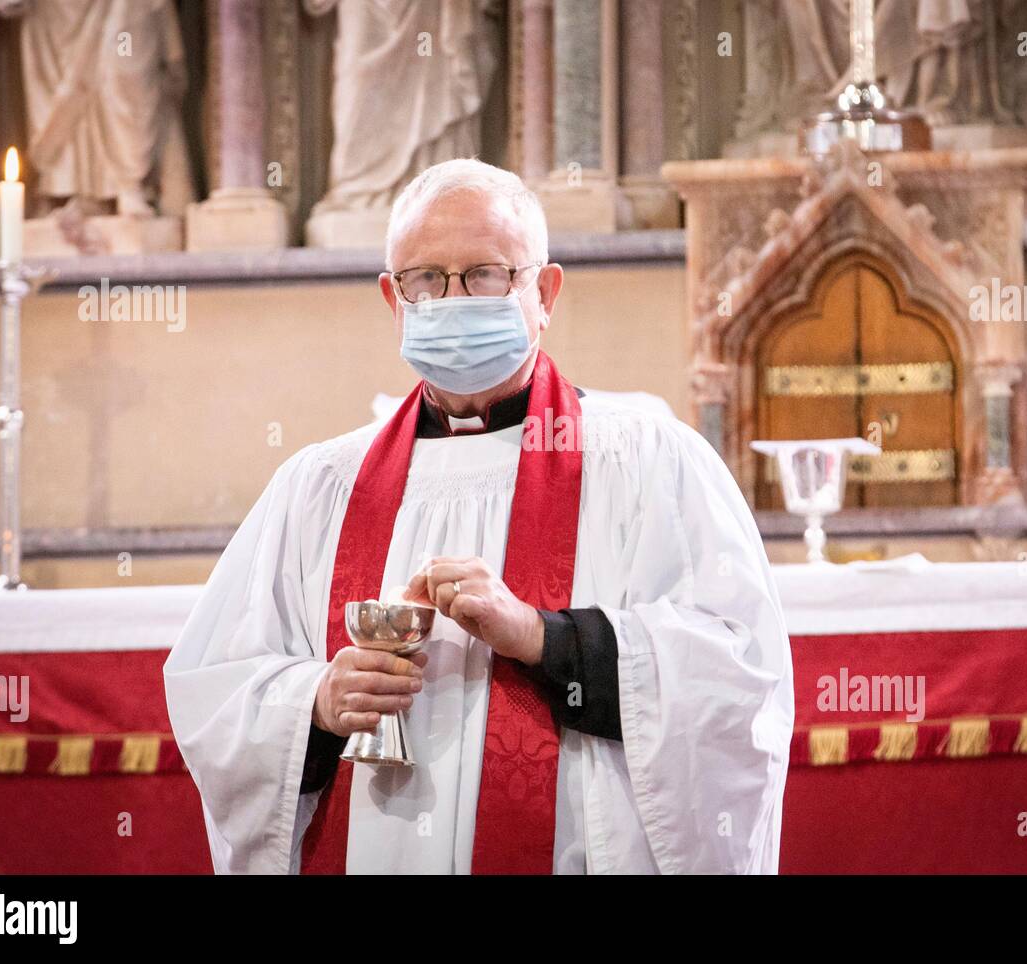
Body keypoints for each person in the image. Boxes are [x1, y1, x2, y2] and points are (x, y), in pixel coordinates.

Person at [163, 158, 795, 874]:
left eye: (487, 274)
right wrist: (315, 702)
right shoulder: (321, 486)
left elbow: (740, 676)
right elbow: (213, 690)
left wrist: (544, 639)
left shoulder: (647, 458)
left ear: (545, 290)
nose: (453, 299)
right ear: (391, 298)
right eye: (425, 279)